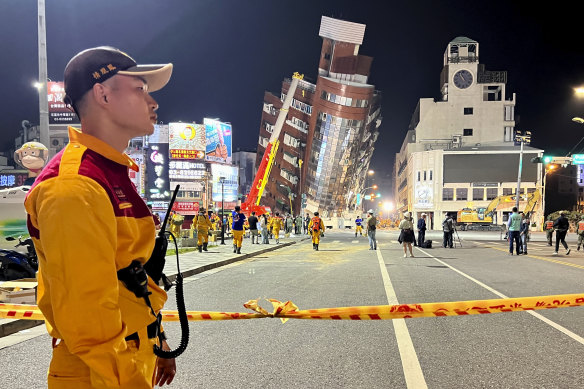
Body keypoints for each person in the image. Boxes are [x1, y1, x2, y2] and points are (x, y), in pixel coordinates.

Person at [24, 46, 176, 387]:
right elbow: (89, 322)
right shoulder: (75, 186)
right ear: (103, 94)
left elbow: (127, 277)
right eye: (140, 89)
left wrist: (156, 336)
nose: (153, 102)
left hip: (126, 353)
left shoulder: (110, 172)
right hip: (99, 371)